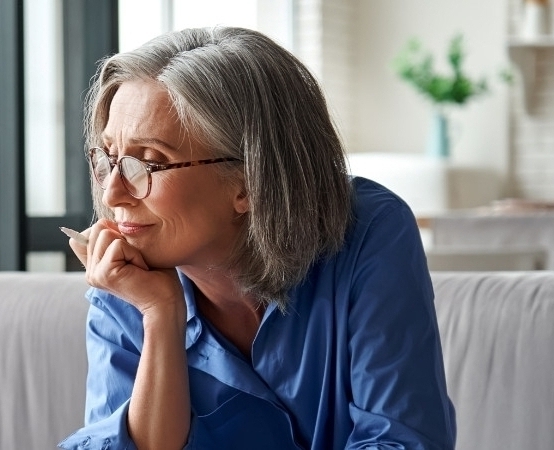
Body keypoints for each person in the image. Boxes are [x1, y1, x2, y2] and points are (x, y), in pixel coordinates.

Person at [58, 27, 455, 450]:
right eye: (108, 159)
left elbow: (403, 441)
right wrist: (160, 315)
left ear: (250, 182)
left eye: (149, 163)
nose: (113, 192)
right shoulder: (124, 280)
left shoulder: (368, 231)